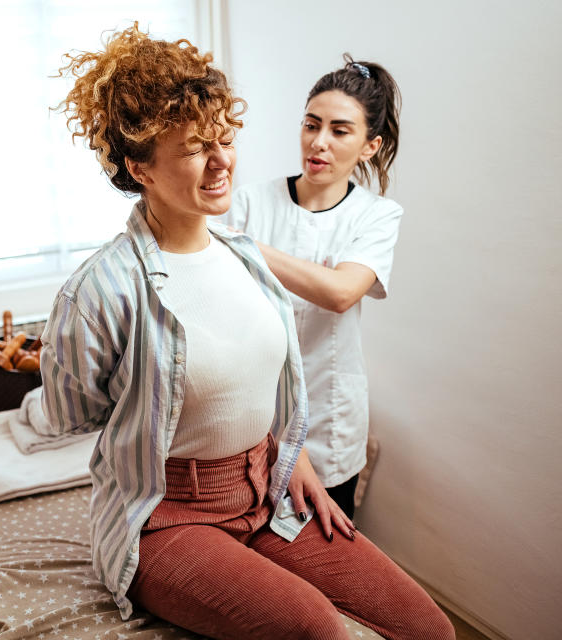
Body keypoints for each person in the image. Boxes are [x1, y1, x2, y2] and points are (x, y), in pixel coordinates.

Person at [37, 25, 453, 640]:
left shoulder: (248, 259)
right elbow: (73, 414)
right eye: (195, 148)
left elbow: (272, 380)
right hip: (168, 514)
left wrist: (292, 455)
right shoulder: (100, 289)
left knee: (428, 628)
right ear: (140, 167)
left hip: (267, 486)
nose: (222, 161)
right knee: (319, 629)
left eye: (225, 140)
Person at [228, 56, 403, 519]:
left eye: (340, 131)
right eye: (311, 124)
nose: (318, 142)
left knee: (325, 538)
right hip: (250, 406)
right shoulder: (249, 202)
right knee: (258, 540)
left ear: (370, 146)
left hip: (329, 415)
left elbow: (342, 292)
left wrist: (242, 248)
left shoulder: (376, 216)